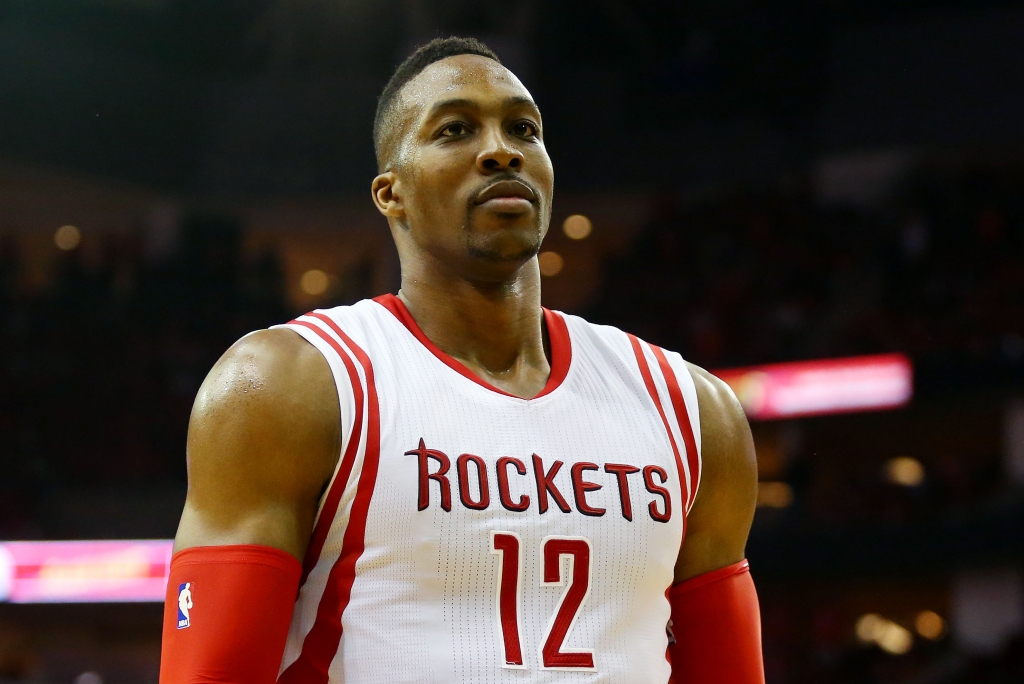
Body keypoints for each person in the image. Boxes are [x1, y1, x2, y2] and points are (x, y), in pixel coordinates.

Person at [159, 37, 763, 684]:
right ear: (391, 193)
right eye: (455, 130)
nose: (502, 150)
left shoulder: (693, 412)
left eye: (523, 129)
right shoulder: (291, 384)